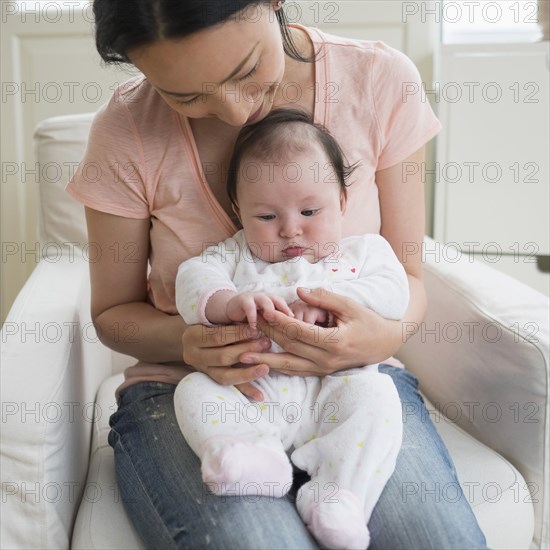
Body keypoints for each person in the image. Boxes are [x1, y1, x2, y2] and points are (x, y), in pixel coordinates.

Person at [67, 0, 488, 547]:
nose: (236, 111)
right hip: (190, 389)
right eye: (186, 96)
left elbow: (405, 276)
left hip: (352, 381)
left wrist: (379, 336)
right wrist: (194, 339)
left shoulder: (380, 81)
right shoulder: (126, 132)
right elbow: (112, 316)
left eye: (245, 71)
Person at [174, 108, 409, 549]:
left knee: (377, 398)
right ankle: (249, 454)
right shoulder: (235, 255)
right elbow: (192, 278)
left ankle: (338, 493)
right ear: (238, 210)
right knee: (192, 389)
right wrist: (229, 303)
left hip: (335, 389)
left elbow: (395, 292)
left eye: (309, 210)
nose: (290, 229)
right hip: (253, 392)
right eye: (266, 217)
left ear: (341, 202)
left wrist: (337, 307)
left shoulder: (364, 252)